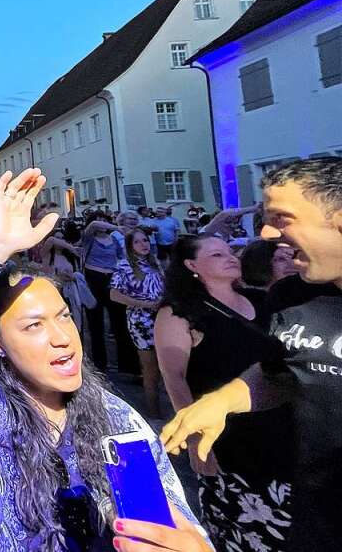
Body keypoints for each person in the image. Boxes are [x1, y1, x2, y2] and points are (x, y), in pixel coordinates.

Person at [0, 169, 207, 552]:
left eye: (63, 316)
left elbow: (159, 518)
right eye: (33, 326)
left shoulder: (116, 419)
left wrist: (186, 543)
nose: (62, 338)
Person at [162, 157, 342, 550]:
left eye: (283, 218)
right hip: (312, 517)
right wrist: (221, 402)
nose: (265, 232)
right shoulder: (293, 296)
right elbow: (282, 372)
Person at [155, 236, 292, 550]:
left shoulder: (261, 299)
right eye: (217, 254)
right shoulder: (179, 313)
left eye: (231, 251)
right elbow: (174, 377)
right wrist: (193, 440)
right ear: (192, 266)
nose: (231, 257)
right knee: (248, 530)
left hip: (280, 423)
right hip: (229, 437)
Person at [110, 228, 165, 418]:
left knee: (166, 365)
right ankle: (154, 414)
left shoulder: (154, 264)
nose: (144, 245)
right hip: (141, 321)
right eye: (138, 242)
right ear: (130, 246)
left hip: (162, 318)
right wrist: (145, 304)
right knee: (150, 369)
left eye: (146, 240)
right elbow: (114, 294)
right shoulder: (124, 266)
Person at [80, 216, 138, 374]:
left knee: (120, 323)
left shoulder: (113, 239)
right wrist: (118, 227)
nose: (103, 225)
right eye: (101, 221)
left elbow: (121, 258)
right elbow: (93, 224)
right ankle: (100, 364)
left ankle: (126, 366)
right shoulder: (89, 238)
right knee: (96, 324)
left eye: (104, 221)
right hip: (94, 279)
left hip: (112, 280)